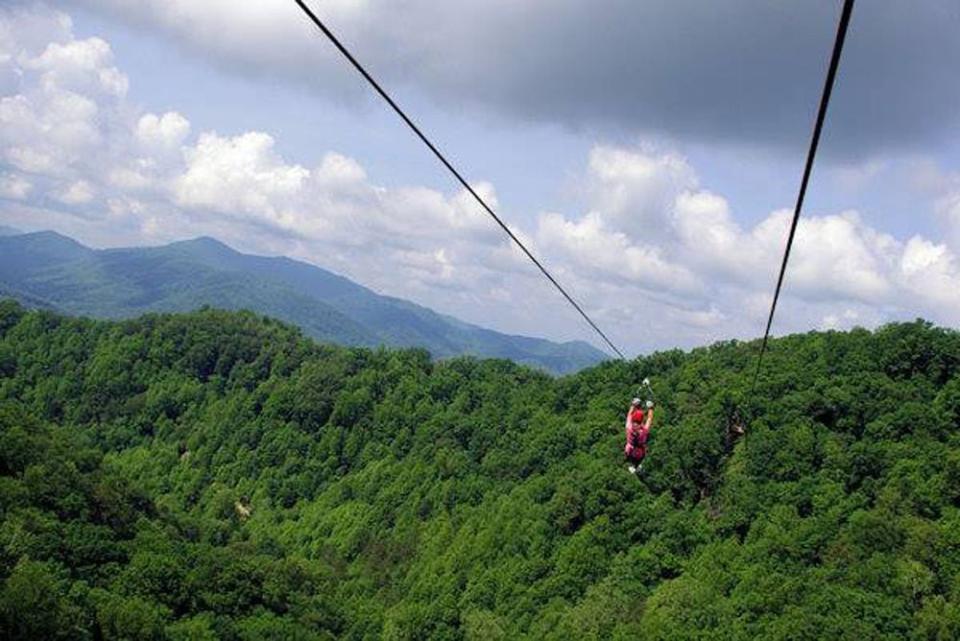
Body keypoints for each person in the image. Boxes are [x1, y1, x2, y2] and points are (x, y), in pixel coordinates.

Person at [625, 397, 654, 474]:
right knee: (639, 457)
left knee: (630, 455)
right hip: (640, 452)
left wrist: (633, 405)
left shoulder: (629, 427)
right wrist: (650, 408)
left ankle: (633, 465)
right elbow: (649, 419)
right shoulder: (644, 430)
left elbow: (629, 415)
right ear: (641, 421)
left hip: (631, 450)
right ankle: (637, 466)